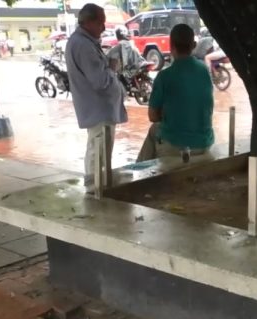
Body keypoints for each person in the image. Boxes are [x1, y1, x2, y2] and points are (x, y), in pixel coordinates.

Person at [65, 4, 127, 194]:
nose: (104, 26)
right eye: (101, 22)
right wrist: (111, 67)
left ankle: (99, 187)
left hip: (100, 110)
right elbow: (99, 81)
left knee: (99, 151)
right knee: (97, 152)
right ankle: (95, 190)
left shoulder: (85, 42)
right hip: (98, 110)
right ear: (89, 22)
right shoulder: (83, 45)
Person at [137, 24, 214, 168]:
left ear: (171, 46)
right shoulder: (204, 71)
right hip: (204, 142)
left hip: (175, 145)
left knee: (155, 129)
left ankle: (139, 175)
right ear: (194, 45)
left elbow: (153, 116)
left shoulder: (164, 76)